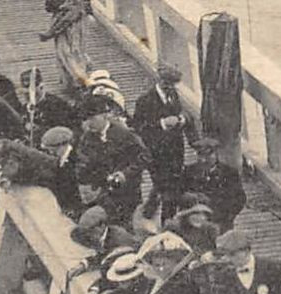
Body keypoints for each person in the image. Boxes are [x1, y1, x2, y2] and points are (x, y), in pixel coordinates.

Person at [132, 63, 194, 221]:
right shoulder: (145, 101)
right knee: (168, 191)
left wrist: (181, 120)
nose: (170, 87)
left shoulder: (173, 95)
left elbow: (181, 114)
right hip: (156, 153)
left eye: (173, 84)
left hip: (175, 151)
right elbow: (138, 127)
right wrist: (162, 123)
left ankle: (151, 211)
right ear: (160, 81)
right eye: (167, 84)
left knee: (168, 187)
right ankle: (167, 222)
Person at [76, 108, 151, 226]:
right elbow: (83, 161)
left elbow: (144, 156)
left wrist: (125, 173)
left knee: (127, 225)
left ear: (105, 116)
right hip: (102, 192)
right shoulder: (87, 138)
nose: (89, 123)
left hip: (127, 192)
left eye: (93, 118)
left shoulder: (125, 133)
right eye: (86, 119)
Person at [40, 0, 94, 88]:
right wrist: (62, 8)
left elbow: (86, 1)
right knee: (64, 51)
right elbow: (48, 7)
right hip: (61, 22)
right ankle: (77, 78)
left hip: (78, 23)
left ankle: (78, 78)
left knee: (77, 49)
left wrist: (89, 14)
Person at [181, 138, 247, 231]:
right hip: (194, 223)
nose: (203, 160)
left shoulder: (229, 173)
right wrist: (189, 197)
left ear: (216, 154)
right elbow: (178, 194)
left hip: (220, 222)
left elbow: (240, 199)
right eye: (200, 155)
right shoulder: (189, 171)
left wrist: (226, 216)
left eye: (208, 155)